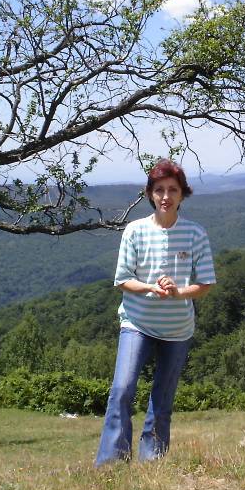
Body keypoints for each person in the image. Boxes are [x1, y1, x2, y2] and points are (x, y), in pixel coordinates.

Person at [95, 159, 216, 466]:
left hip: (178, 329)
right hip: (136, 322)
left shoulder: (195, 233)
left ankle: (152, 463)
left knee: (162, 398)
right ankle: (112, 463)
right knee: (122, 389)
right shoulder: (135, 231)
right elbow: (122, 279)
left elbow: (205, 283)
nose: (166, 196)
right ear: (150, 193)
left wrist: (178, 292)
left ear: (182, 194)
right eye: (159, 189)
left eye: (173, 190)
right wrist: (151, 287)